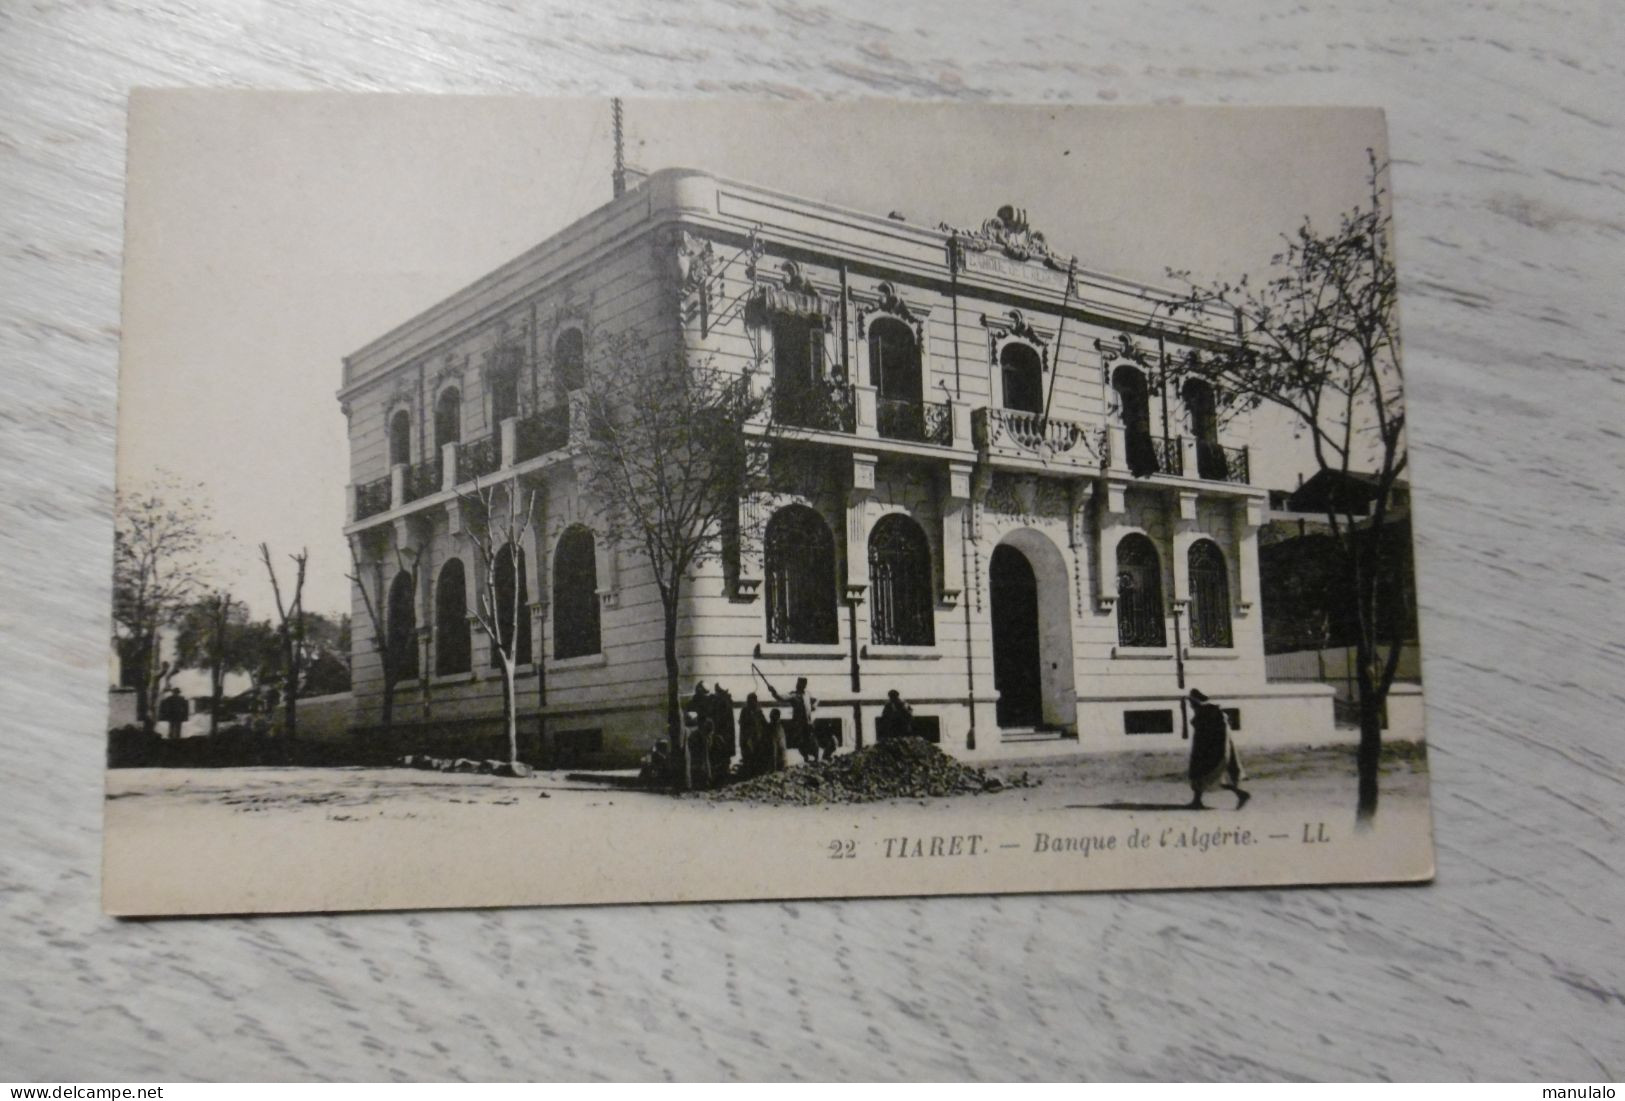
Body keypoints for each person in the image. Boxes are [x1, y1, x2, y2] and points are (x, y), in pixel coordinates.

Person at [1187, 688, 1250, 810]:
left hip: (1211, 751)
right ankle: (1196, 801)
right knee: (1198, 776)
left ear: (1196, 702)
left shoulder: (1212, 713)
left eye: (1191, 702)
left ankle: (1241, 794)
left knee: (1212, 777)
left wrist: (1218, 751)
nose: (1190, 704)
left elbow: (1221, 734)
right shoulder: (1203, 711)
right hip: (1201, 750)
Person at [766, 675, 819, 764]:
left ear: (804, 685)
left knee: (812, 741)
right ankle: (805, 758)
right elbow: (781, 697)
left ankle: (816, 758)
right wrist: (774, 692)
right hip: (799, 725)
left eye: (801, 683)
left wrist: (814, 706)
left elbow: (816, 699)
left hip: (808, 724)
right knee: (801, 742)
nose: (798, 685)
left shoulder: (807, 694)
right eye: (798, 683)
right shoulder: (794, 695)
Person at [737, 693, 769, 778]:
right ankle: (749, 774)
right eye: (750, 701)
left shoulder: (758, 711)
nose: (753, 702)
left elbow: (764, 724)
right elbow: (741, 724)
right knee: (748, 758)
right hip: (747, 739)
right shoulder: (745, 711)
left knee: (756, 757)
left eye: (754, 700)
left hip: (757, 739)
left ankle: (755, 774)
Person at [766, 708, 788, 772]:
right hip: (781, 759)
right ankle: (779, 767)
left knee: (774, 752)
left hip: (778, 754)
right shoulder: (780, 727)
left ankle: (775, 769)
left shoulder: (773, 727)